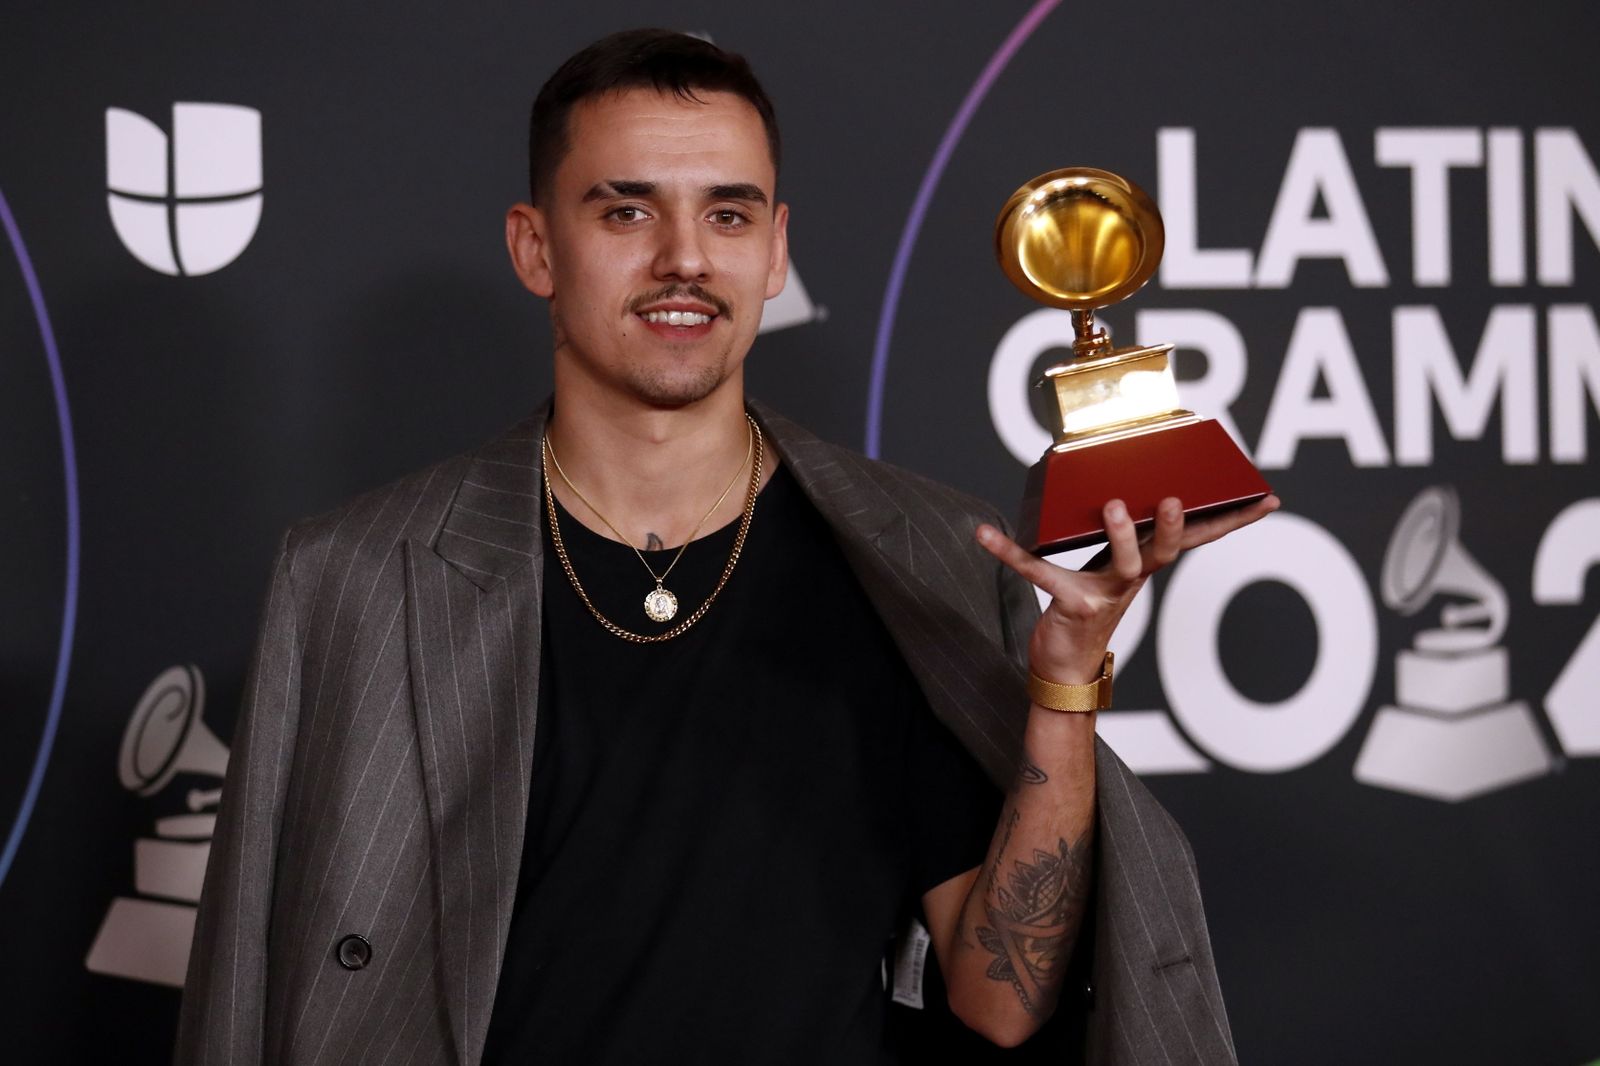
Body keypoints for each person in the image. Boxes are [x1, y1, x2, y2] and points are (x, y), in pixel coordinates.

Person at [175, 28, 1277, 1066]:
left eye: (729, 215)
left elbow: (1002, 998)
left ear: (777, 250)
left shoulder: (915, 555)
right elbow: (247, 993)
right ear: (534, 247)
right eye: (624, 213)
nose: (684, 259)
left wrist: (1066, 684)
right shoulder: (357, 575)